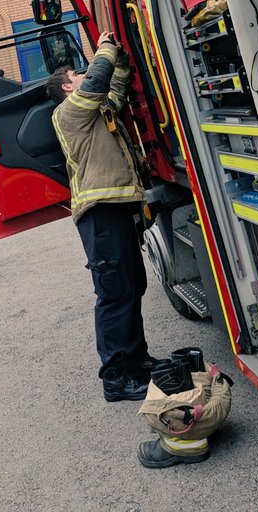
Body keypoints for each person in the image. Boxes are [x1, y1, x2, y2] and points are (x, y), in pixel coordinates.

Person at [47, 33, 159, 403]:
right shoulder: (68, 113)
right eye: (76, 75)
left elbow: (115, 86)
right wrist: (104, 48)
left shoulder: (94, 111)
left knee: (132, 288)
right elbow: (96, 81)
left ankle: (138, 363)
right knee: (114, 295)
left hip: (116, 208)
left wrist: (121, 61)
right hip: (99, 215)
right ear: (67, 87)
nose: (83, 75)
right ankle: (116, 378)